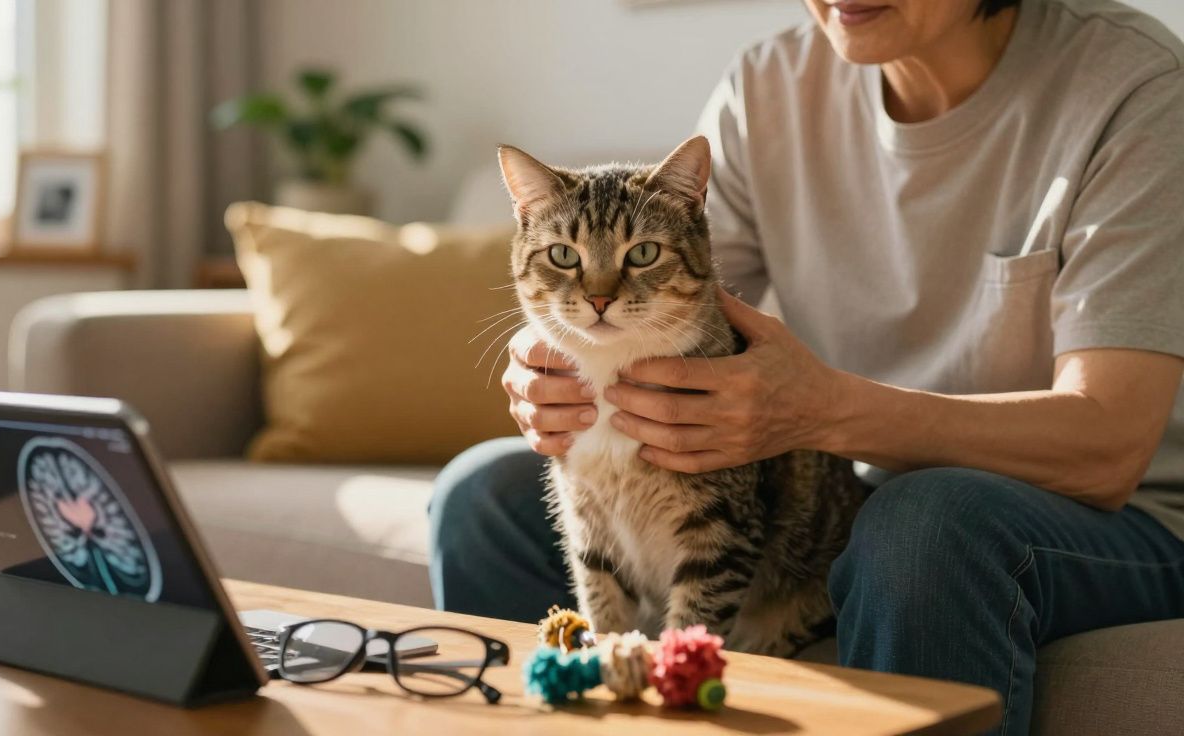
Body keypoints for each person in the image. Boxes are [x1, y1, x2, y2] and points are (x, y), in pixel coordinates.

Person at [429, 1, 1184, 732]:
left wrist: (825, 412)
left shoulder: (1133, 85)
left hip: (1108, 517)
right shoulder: (767, 85)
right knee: (483, 498)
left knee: (924, 524)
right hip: (855, 489)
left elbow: (1108, 449)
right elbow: (682, 306)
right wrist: (554, 362)